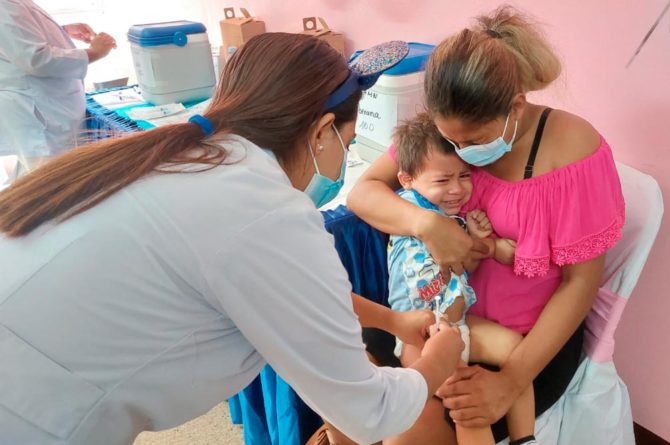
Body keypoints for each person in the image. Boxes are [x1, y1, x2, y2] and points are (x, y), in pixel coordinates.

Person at [0, 33, 464, 445]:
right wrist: (437, 362)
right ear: (322, 131)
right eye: (346, 138)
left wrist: (393, 322)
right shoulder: (267, 214)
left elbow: (288, 292)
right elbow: (371, 413)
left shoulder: (183, 155)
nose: (342, 157)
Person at [347, 6, 625, 444]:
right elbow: (364, 193)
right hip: (437, 318)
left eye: (472, 142)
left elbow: (580, 283)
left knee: (415, 424)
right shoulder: (446, 127)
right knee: (346, 391)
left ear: (515, 106)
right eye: (451, 139)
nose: (461, 151)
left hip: (525, 347)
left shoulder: (572, 149)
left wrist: (510, 382)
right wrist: (425, 224)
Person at [388, 113, 536, 445]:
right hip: (421, 336)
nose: (457, 189)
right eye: (443, 181)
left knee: (518, 352)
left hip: (459, 325)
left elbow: (459, 271)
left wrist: (473, 238)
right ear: (407, 180)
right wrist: (490, 246)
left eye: (465, 175)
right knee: (465, 399)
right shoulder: (413, 210)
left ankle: (525, 438)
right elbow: (441, 263)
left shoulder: (452, 219)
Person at [0, 0, 116, 179]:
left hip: (43, 108)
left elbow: (17, 38)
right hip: (40, 114)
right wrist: (94, 52)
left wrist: (62, 30)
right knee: (52, 184)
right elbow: (36, 59)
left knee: (38, 179)